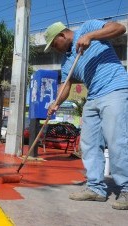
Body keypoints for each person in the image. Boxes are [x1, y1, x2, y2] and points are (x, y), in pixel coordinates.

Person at [45, 20, 128, 210]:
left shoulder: (88, 27)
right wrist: (55, 103)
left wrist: (91, 36)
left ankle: (127, 188)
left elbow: (120, 28)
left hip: (115, 89)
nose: (53, 50)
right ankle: (96, 188)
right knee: (89, 143)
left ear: (62, 35)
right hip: (93, 97)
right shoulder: (66, 62)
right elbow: (66, 85)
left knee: (117, 140)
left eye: (53, 44)